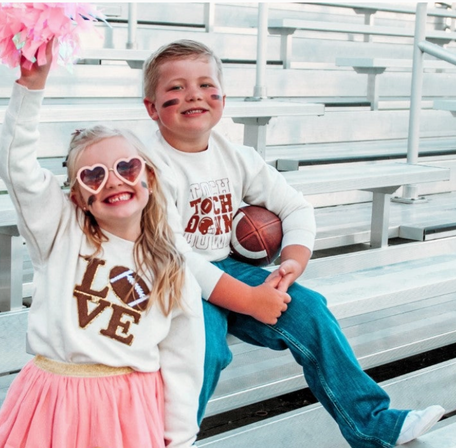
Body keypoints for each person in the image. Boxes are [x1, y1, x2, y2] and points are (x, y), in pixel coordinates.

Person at [141, 39, 445, 448]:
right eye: (175, 88)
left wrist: (292, 262)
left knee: (311, 311)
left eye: (205, 84)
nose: (193, 94)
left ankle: (374, 425)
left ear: (223, 99)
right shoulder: (147, 165)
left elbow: (295, 207)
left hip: (225, 269)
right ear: (151, 107)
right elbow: (174, 255)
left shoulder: (238, 156)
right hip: (176, 278)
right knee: (203, 351)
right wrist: (248, 301)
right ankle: (167, 440)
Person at [0, 41, 205, 448]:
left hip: (126, 409)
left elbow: (183, 361)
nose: (113, 181)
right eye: (93, 175)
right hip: (52, 401)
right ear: (76, 197)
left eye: (126, 167)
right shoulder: (60, 235)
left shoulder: (172, 268)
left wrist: (180, 436)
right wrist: (30, 86)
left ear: (148, 178)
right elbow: (16, 168)